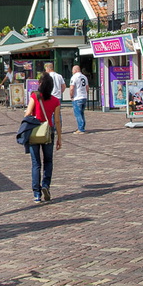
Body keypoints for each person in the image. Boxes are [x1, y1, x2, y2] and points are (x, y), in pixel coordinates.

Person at [24, 73, 62, 203]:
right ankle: (46, 185)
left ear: (40, 84)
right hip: (48, 132)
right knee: (48, 161)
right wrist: (59, 138)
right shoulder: (55, 100)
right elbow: (57, 120)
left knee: (36, 163)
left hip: (35, 131)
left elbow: (28, 113)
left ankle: (36, 194)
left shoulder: (35, 96)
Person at [69, 65, 88, 134]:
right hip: (84, 96)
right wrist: (86, 94)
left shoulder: (74, 77)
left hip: (77, 97)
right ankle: (82, 127)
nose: (72, 72)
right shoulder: (84, 77)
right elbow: (87, 87)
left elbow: (71, 88)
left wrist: (71, 96)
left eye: (73, 70)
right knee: (82, 113)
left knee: (78, 114)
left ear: (75, 70)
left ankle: (80, 129)